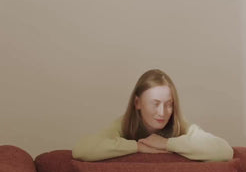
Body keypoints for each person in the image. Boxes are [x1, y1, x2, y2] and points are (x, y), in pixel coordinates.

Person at [72, 69, 233, 162]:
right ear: (137, 103)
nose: (162, 112)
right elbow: (81, 150)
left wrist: (167, 144)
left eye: (169, 104)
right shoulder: (123, 125)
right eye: (155, 104)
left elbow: (224, 151)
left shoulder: (180, 125)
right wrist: (137, 147)